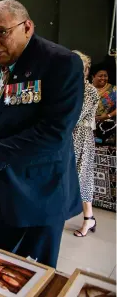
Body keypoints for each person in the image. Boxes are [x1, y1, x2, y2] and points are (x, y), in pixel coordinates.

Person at [0, 0, 83, 268]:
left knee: (31, 275)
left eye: (1, 32)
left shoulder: (60, 63)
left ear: (27, 27)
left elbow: (54, 132)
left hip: (37, 192)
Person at [71, 51, 99, 237]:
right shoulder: (69, 87)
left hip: (81, 137)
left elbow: (76, 115)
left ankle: (89, 219)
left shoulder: (89, 90)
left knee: (81, 179)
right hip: (68, 137)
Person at [92, 67, 116, 143]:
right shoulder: (86, 89)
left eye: (105, 76)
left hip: (108, 124)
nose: (103, 78)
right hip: (89, 124)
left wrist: (107, 116)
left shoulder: (114, 90)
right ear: (93, 77)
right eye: (100, 76)